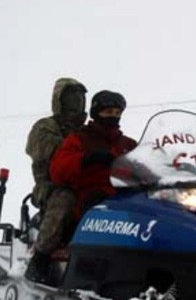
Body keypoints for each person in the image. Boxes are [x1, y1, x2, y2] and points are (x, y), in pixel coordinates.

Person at [23, 77, 88, 284]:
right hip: (50, 185)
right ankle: (40, 259)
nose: (75, 102)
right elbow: (44, 149)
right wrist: (81, 154)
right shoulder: (45, 127)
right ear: (60, 99)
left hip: (83, 184)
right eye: (71, 97)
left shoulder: (85, 131)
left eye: (79, 97)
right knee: (65, 198)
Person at [50, 89, 137, 219]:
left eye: (117, 113)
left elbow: (145, 165)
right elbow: (57, 170)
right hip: (92, 195)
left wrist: (167, 177)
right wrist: (86, 158)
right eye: (108, 112)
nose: (113, 116)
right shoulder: (80, 138)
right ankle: (50, 240)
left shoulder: (128, 144)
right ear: (96, 113)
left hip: (126, 195)